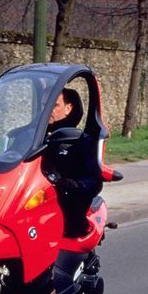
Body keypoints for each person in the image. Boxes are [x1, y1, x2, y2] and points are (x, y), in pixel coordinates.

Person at [43, 88, 103, 238]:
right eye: (45, 105)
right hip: (36, 196)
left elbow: (93, 178)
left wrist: (73, 184)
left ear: (68, 108)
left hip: (65, 201)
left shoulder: (79, 140)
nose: (48, 109)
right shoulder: (33, 138)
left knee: (72, 225)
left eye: (54, 105)